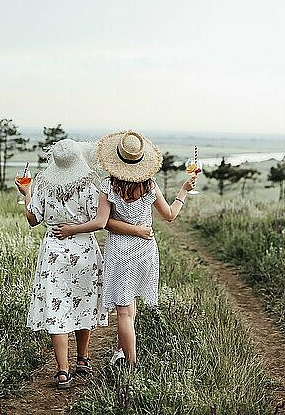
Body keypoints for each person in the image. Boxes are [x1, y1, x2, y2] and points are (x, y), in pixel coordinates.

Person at [52, 130, 197, 366]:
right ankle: (122, 354)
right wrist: (183, 191)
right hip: (145, 251)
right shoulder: (150, 185)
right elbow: (170, 215)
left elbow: (102, 223)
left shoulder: (108, 186)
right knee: (131, 308)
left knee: (124, 312)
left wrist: (71, 229)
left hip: (120, 252)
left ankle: (130, 364)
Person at [15, 139, 109, 390]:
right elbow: (99, 220)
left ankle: (63, 372)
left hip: (54, 252)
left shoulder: (44, 185)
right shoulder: (90, 186)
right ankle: (83, 359)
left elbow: (33, 219)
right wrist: (75, 229)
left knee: (58, 306)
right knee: (84, 301)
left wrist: (27, 194)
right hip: (84, 251)